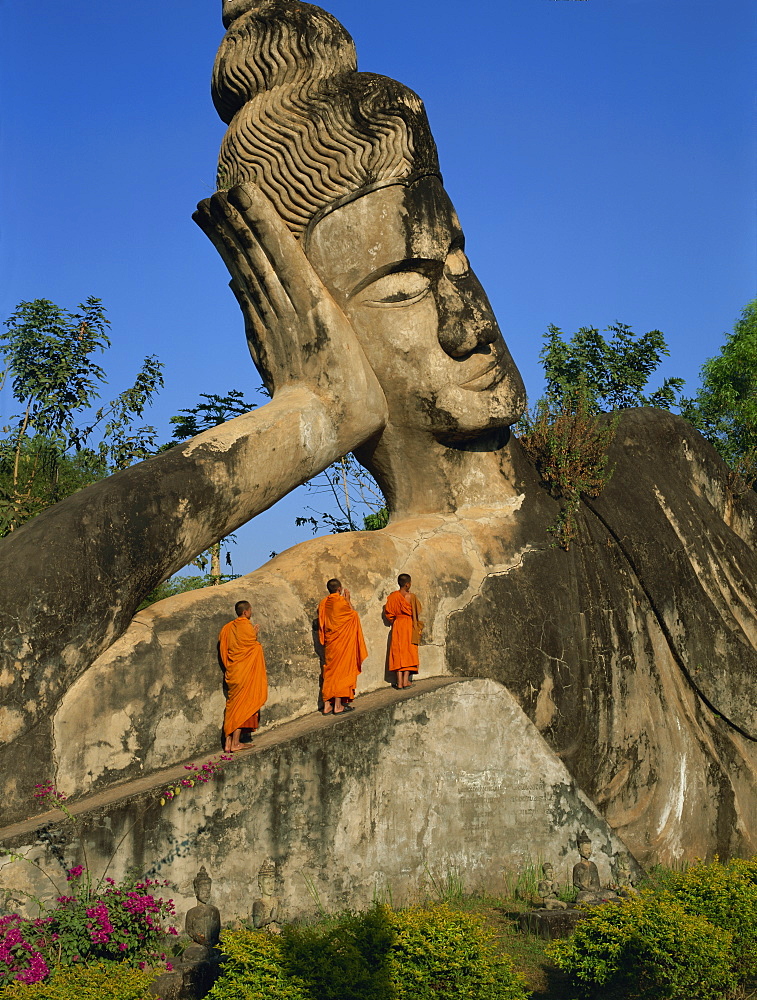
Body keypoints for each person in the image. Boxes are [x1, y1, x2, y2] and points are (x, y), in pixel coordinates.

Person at [219, 600, 268, 752]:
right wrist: (254, 635)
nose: (250, 613)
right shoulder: (246, 625)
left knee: (232, 707)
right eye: (250, 611)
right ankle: (235, 743)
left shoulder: (227, 628)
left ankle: (228, 743)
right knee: (243, 708)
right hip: (245, 673)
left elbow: (225, 648)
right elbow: (253, 648)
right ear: (246, 612)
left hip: (233, 673)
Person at [317, 579, 367, 715]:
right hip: (342, 644)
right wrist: (348, 600)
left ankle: (327, 704)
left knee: (330, 672)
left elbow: (322, 622)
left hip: (330, 643)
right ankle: (338, 706)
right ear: (339, 589)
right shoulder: (341, 601)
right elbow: (353, 615)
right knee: (341, 672)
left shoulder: (323, 603)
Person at [384, 573, 423, 689]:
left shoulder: (392, 597)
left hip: (397, 625)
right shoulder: (412, 597)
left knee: (398, 652)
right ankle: (406, 681)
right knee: (409, 653)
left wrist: (396, 620)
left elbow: (389, 614)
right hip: (409, 625)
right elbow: (418, 611)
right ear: (407, 584)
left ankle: (399, 682)